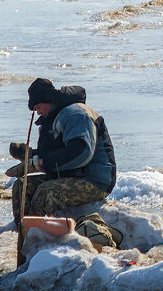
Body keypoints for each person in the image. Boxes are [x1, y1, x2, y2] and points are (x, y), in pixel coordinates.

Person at [9, 78, 118, 243]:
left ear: (48, 101)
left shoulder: (76, 114)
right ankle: (25, 237)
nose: (37, 112)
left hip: (94, 180)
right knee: (21, 185)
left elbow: (80, 152)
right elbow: (53, 154)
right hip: (71, 176)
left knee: (46, 193)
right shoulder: (54, 118)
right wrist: (30, 154)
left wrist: (38, 164)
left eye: (38, 107)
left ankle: (44, 244)